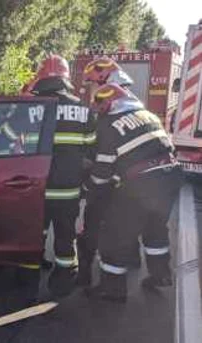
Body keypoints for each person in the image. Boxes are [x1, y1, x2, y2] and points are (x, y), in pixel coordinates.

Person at [84, 84, 182, 303]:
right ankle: (160, 275)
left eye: (98, 104)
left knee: (115, 234)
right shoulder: (147, 115)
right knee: (155, 227)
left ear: (109, 103)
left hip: (142, 183)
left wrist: (91, 190)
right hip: (170, 177)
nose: (97, 109)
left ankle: (113, 289)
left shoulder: (109, 124)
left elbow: (102, 171)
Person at [30, 54, 96, 296]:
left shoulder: (34, 107)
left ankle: (29, 276)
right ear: (66, 78)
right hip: (69, 189)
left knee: (37, 231)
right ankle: (62, 280)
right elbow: (92, 151)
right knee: (65, 235)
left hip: (36, 187)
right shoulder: (83, 110)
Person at [76, 57, 135, 286]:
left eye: (92, 83)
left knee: (93, 224)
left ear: (102, 76)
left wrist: (90, 183)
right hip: (125, 178)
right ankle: (128, 259)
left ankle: (86, 275)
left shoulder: (112, 108)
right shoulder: (126, 97)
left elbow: (103, 150)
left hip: (110, 177)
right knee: (120, 225)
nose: (92, 92)